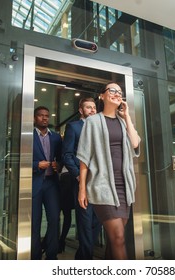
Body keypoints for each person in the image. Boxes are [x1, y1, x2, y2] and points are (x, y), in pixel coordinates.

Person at [77, 83, 140, 260]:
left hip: (124, 187)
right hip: (102, 186)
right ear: (102, 96)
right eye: (112, 90)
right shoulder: (93, 121)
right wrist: (82, 189)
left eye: (120, 92)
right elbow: (84, 157)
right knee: (118, 237)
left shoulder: (123, 122)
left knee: (115, 241)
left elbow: (135, 143)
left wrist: (127, 116)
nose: (117, 94)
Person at [62, 97, 102, 259]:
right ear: (81, 110)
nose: (92, 110)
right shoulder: (73, 127)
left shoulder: (100, 127)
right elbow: (67, 155)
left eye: (94, 107)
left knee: (97, 221)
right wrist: (78, 175)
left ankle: (82, 257)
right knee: (85, 222)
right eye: (88, 107)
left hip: (100, 181)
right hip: (82, 181)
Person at [32, 106, 62, 260]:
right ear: (34, 118)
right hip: (34, 183)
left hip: (51, 184)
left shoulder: (56, 137)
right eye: (41, 115)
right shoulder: (27, 136)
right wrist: (36, 165)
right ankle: (35, 256)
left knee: (54, 220)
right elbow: (19, 160)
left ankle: (51, 255)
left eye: (47, 116)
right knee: (35, 222)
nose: (44, 118)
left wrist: (59, 165)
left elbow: (63, 157)